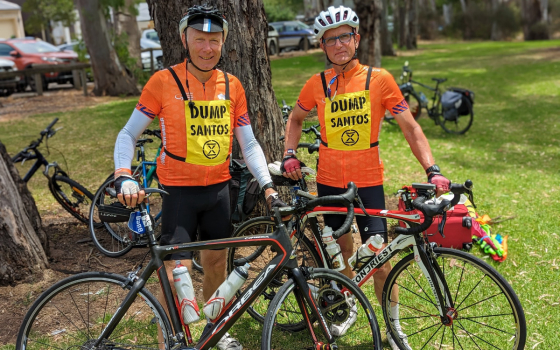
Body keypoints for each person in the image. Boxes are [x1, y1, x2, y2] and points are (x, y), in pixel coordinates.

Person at [113, 5, 284, 350]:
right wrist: (123, 176)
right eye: (200, 39)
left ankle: (214, 331)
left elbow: (248, 142)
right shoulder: (163, 82)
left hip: (219, 189)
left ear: (223, 42)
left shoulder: (232, 85)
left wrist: (266, 184)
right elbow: (127, 135)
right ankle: (170, 338)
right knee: (177, 272)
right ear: (184, 40)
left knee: (217, 263)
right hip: (178, 192)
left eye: (215, 40)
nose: (207, 48)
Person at [281, 5, 450, 348]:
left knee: (381, 258)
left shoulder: (380, 79)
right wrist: (289, 153)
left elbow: (410, 128)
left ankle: (394, 327)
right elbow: (295, 119)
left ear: (356, 39)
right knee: (342, 254)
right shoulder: (316, 84)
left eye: (345, 36)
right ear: (323, 46)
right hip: (329, 182)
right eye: (331, 39)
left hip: (368, 182)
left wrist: (432, 169)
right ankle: (348, 308)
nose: (339, 44)